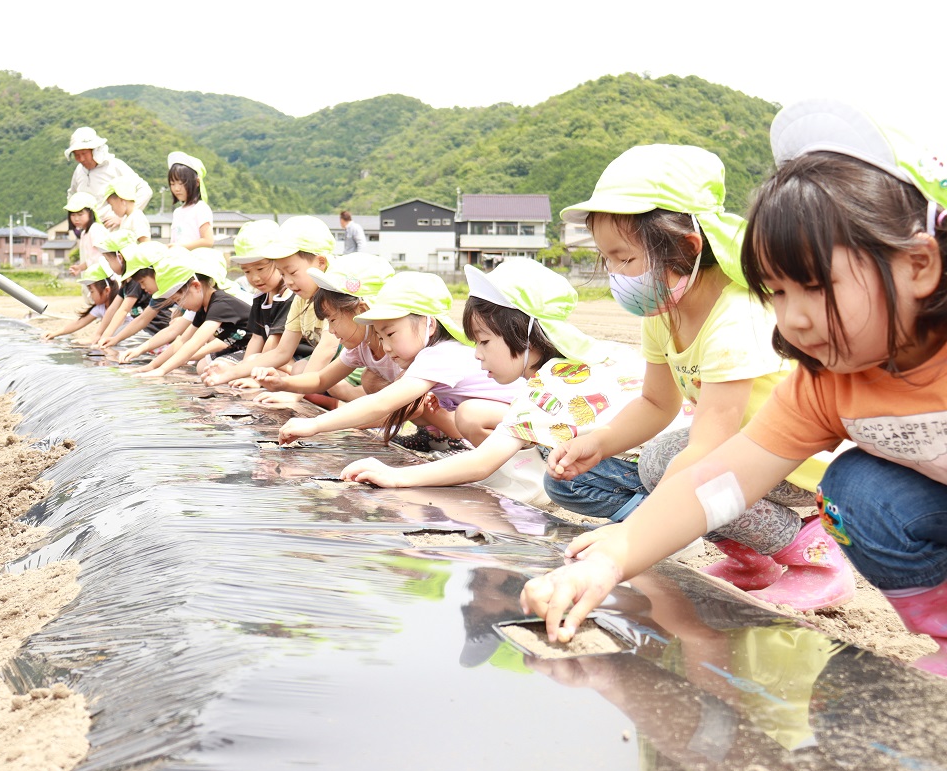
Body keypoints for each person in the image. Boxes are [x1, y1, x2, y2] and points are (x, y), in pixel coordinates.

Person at [520, 100, 947, 677]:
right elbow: (719, 480)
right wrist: (613, 557)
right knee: (858, 492)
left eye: (815, 286)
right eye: (776, 291)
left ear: (919, 265)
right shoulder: (827, 381)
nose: (792, 321)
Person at [538, 144, 849, 612]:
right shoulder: (663, 307)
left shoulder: (735, 317)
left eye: (626, 259)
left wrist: (634, 532)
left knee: (683, 472)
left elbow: (710, 451)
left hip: (795, 461)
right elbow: (655, 404)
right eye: (609, 260)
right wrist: (600, 442)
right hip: (741, 446)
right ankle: (753, 561)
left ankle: (812, 554)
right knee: (659, 460)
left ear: (686, 245)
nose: (618, 276)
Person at [340, 258, 669, 506]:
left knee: (561, 482)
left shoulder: (546, 386)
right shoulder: (575, 364)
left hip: (657, 469)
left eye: (483, 342)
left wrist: (396, 477)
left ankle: (646, 518)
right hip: (671, 454)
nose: (477, 355)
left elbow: (481, 464)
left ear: (522, 335)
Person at [277, 271, 519, 447]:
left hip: (529, 424)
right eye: (381, 337)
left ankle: (510, 468)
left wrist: (315, 425)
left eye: (391, 333)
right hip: (508, 419)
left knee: (471, 414)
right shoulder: (430, 354)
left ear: (429, 324)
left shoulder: (440, 354)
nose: (387, 347)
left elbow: (381, 403)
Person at [201, 216, 341, 387]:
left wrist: (291, 393)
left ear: (321, 262)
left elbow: (327, 348)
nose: (288, 281)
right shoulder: (299, 299)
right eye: (282, 274)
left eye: (293, 272)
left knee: (309, 374)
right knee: (298, 369)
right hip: (326, 363)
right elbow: (282, 351)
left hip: (355, 364)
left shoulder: (335, 294)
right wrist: (231, 373)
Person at [253, 252, 401, 404]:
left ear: (362, 310)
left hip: (410, 408)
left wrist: (318, 423)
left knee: (372, 382)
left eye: (333, 319)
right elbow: (320, 379)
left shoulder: (402, 348)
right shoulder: (360, 349)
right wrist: (282, 384)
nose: (330, 330)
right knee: (369, 380)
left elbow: (399, 405)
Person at [138, 248, 250, 377]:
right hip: (235, 346)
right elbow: (182, 340)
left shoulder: (220, 304)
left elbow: (195, 342)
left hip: (254, 349)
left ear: (196, 286)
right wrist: (152, 366)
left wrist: (162, 370)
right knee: (202, 367)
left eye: (179, 300)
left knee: (213, 369)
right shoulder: (203, 308)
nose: (180, 306)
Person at [65, 126, 151, 230]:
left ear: (95, 151)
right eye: (77, 155)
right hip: (90, 233)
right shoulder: (79, 171)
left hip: (114, 232)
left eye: (84, 153)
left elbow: (145, 190)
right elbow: (73, 196)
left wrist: (124, 217)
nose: (81, 159)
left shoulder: (114, 166)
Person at [43, 263, 121, 343]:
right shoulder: (100, 308)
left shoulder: (121, 307)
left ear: (107, 290)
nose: (90, 295)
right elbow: (78, 323)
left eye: (92, 291)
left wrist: (91, 341)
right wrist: (54, 333)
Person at [168, 151, 215, 249]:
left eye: (181, 183)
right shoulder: (177, 212)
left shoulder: (200, 208)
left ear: (197, 182)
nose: (176, 188)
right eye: (173, 184)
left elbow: (208, 241)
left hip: (195, 261)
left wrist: (181, 246)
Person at [64, 192, 108, 277]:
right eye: (73, 215)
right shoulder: (84, 233)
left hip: (105, 277)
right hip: (96, 277)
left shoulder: (96, 229)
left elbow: (106, 257)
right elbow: (92, 260)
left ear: (91, 213)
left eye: (80, 214)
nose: (76, 218)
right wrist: (80, 268)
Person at [104, 175, 151, 243]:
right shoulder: (126, 219)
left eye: (112, 205)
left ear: (122, 201)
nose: (112, 210)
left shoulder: (136, 217)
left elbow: (145, 243)